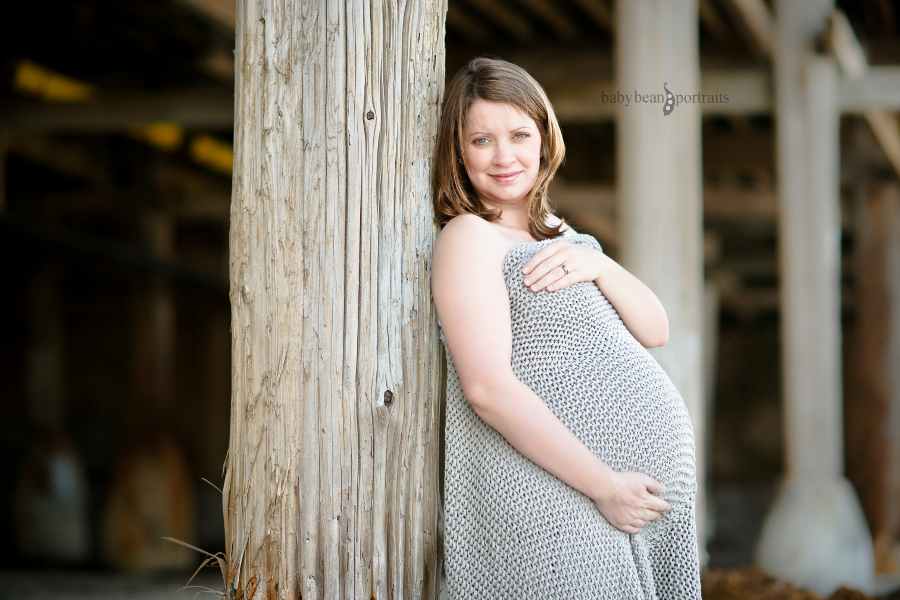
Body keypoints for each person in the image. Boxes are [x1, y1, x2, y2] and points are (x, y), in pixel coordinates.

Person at [430, 57, 701, 599]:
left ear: (544, 139)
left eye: (519, 135)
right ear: (458, 153)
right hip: (555, 492)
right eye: (481, 140)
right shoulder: (469, 237)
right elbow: (486, 388)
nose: (504, 156)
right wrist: (605, 485)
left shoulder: (564, 237)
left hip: (618, 498)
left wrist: (601, 265)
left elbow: (655, 329)